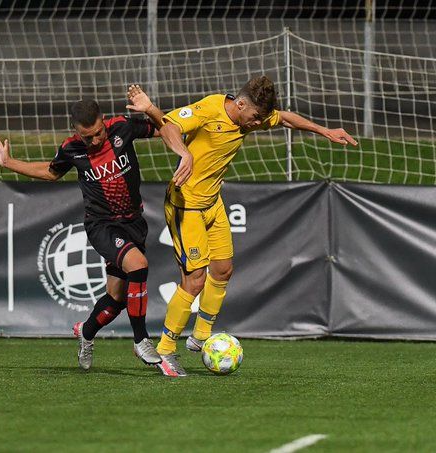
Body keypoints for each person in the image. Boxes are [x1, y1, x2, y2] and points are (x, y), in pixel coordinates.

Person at [141, 75, 358, 376]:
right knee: (195, 280)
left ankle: (201, 335)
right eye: (255, 117)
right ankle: (165, 349)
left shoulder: (248, 117)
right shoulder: (209, 109)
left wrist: (324, 130)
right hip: (185, 204)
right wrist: (184, 153)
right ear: (240, 104)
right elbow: (168, 126)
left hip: (212, 203)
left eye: (260, 119)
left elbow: (286, 120)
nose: (257, 124)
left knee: (223, 270)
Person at [0, 93, 192, 374]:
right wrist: (9, 163)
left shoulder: (122, 127)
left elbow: (165, 126)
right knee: (139, 266)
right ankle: (141, 340)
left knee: (117, 299)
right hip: (102, 225)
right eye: (88, 138)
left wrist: (159, 118)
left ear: (104, 122)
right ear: (76, 132)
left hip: (134, 222)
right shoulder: (71, 149)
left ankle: (86, 331)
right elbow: (50, 172)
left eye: (98, 134)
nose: (95, 141)